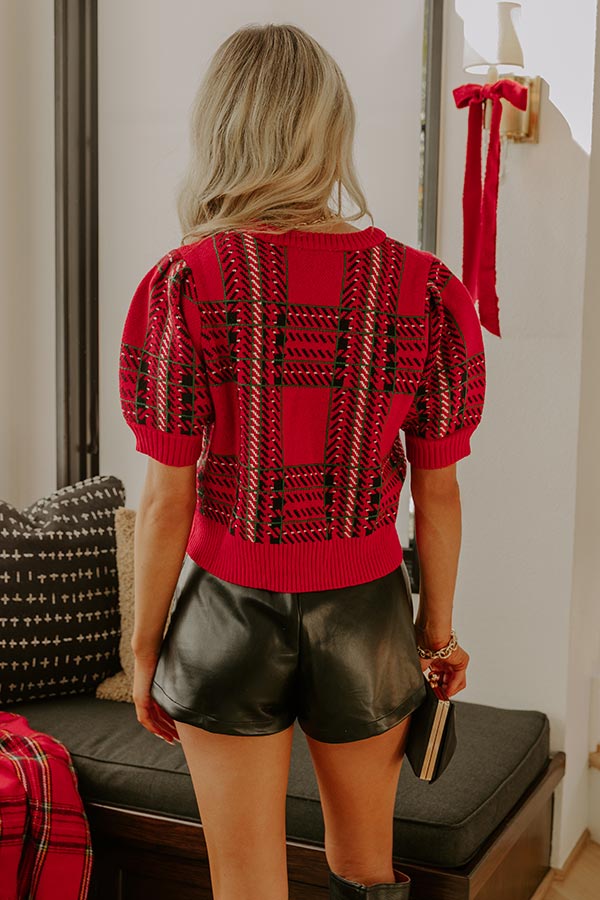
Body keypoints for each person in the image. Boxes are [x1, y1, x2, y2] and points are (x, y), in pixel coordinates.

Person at [117, 22, 486, 900]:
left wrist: (144, 649)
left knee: (246, 883)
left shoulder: (186, 281)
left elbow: (167, 499)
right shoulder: (425, 289)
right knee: (366, 872)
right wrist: (436, 634)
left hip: (224, 618)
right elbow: (437, 494)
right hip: (366, 616)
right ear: (331, 131)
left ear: (221, 131)